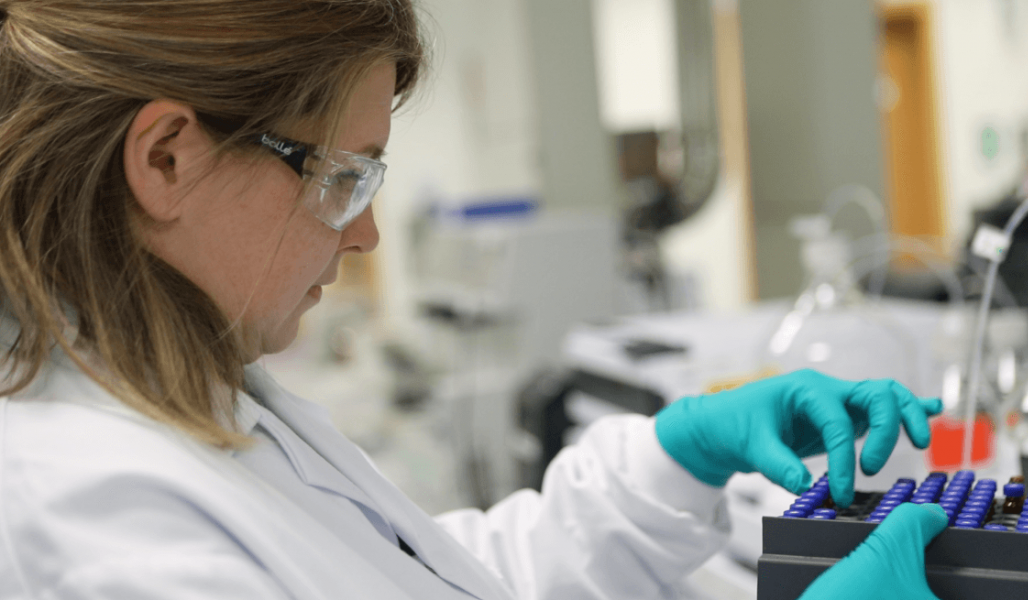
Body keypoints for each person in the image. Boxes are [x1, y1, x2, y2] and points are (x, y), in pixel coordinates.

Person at [0, 1, 948, 599]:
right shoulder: (97, 528)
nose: (363, 233)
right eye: (342, 177)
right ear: (168, 158)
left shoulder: (193, 395)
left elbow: (438, 578)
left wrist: (671, 458)